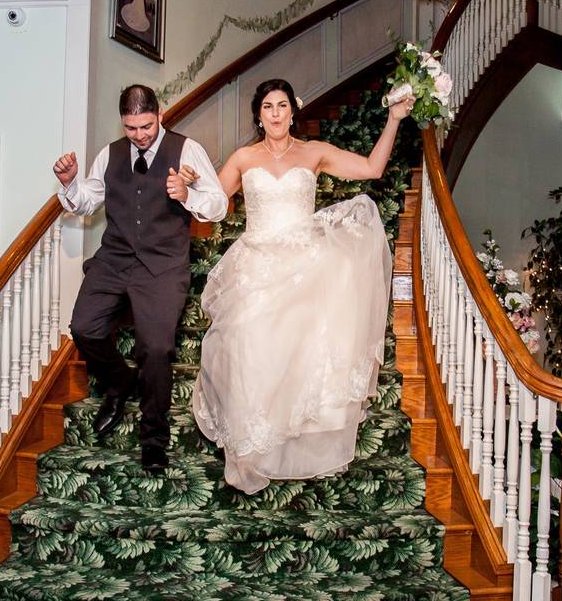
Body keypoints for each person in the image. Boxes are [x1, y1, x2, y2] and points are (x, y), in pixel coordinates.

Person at [191, 78, 414, 494]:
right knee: (249, 350)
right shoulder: (243, 157)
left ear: (293, 110)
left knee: (301, 352)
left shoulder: (314, 153)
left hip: (306, 266)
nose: (275, 113)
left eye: (281, 106)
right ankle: (251, 448)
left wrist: (394, 119)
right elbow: (212, 207)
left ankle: (293, 443)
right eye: (267, 106)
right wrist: (188, 190)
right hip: (256, 267)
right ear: (259, 115)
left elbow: (372, 168)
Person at [53, 84, 228, 473]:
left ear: (160, 115)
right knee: (84, 328)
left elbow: (219, 205)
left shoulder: (186, 149)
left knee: (155, 349)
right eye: (131, 128)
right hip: (115, 259)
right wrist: (69, 184)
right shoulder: (111, 154)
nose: (140, 135)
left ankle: (153, 440)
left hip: (163, 264)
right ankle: (119, 381)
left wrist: (187, 193)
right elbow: (87, 201)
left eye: (146, 126)